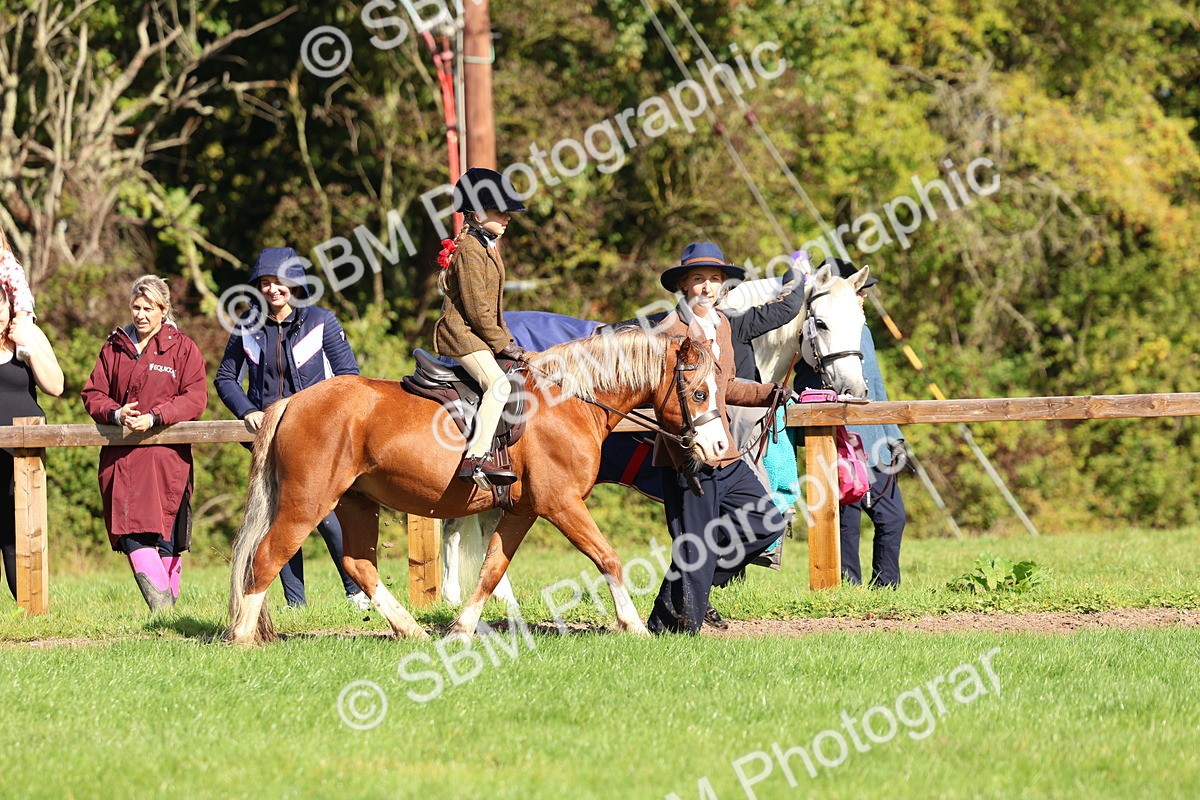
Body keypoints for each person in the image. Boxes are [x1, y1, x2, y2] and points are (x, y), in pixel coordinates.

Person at [646, 242, 795, 635]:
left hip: (725, 452)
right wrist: (688, 443)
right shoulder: (667, 332)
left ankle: (669, 606)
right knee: (696, 547)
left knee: (766, 523)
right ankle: (680, 635)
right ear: (683, 286)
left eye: (714, 279)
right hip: (688, 458)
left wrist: (768, 392)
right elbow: (663, 400)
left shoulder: (723, 326)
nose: (707, 287)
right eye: (698, 280)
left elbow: (725, 386)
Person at [214, 248, 369, 610]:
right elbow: (225, 378)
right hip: (269, 438)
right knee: (278, 517)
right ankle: (295, 604)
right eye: (265, 283)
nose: (273, 290)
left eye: (280, 282)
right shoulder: (246, 325)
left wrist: (326, 417)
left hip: (318, 439)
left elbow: (350, 378)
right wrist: (249, 411)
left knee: (326, 517)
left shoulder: (322, 320)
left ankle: (356, 592)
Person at [81, 276, 206, 612]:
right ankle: (163, 613)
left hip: (167, 458)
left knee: (167, 534)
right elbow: (92, 394)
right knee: (131, 532)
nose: (140, 314)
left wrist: (155, 417)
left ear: (163, 310)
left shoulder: (183, 348)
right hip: (121, 458)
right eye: (136, 307)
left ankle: (169, 618)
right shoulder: (114, 346)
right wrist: (116, 413)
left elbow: (195, 398)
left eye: (148, 308)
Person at [794, 258, 906, 587]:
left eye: (863, 292)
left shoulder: (863, 331)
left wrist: (895, 436)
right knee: (846, 524)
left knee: (893, 518)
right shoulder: (814, 335)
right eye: (857, 291)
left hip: (876, 442)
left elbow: (878, 385)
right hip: (839, 446)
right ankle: (849, 592)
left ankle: (887, 589)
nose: (863, 297)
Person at [434, 167, 531, 486]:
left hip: (479, 336)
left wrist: (512, 343)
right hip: (463, 337)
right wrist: (504, 344)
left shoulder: (485, 247)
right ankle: (476, 457)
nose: (507, 218)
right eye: (499, 211)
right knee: (499, 386)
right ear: (476, 213)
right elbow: (478, 312)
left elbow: (495, 310)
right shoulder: (472, 251)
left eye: (507, 213)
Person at [0, 288, 63, 601]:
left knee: (18, 535)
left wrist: (28, 346)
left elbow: (56, 385)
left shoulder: (29, 334)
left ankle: (28, 611)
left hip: (23, 452)